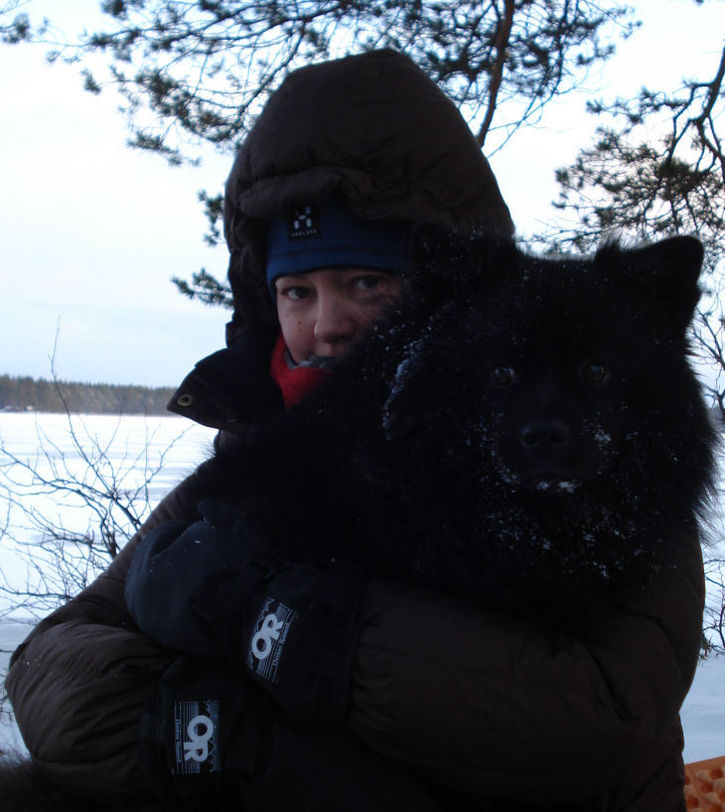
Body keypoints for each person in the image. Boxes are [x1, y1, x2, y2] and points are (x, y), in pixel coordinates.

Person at [4, 49, 703, 811]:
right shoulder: (260, 452)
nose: (327, 324)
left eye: (366, 283)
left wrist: (273, 624)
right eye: (296, 291)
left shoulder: (608, 476)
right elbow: (52, 663)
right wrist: (220, 741)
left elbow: (598, 717)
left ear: (445, 300)